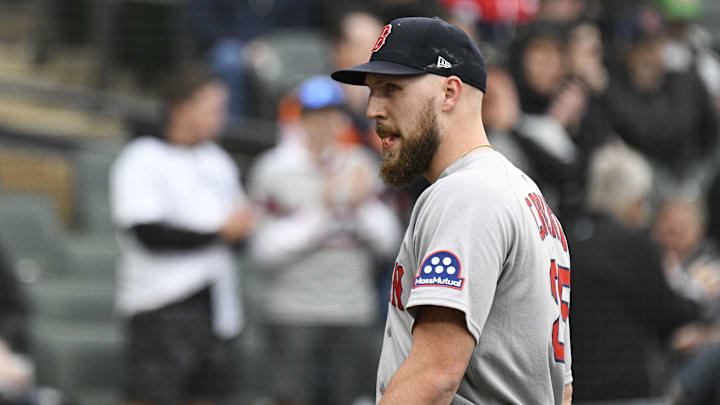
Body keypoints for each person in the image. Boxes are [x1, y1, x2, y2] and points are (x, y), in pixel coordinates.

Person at [332, 16, 573, 404]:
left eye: (392, 88)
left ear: (449, 93)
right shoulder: (528, 196)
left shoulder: (466, 193)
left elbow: (435, 375)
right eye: (372, 91)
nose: (372, 109)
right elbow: (563, 388)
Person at [248, 76, 402, 405]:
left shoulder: (362, 166)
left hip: (352, 308)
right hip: (292, 310)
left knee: (351, 397)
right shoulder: (273, 169)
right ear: (300, 118)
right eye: (314, 115)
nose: (324, 123)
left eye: (332, 114)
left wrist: (359, 208)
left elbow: (389, 242)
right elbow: (263, 251)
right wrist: (324, 210)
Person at [110, 65, 255, 405]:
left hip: (219, 307)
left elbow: (239, 234)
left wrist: (240, 230)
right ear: (180, 108)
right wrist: (220, 232)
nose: (220, 117)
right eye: (211, 108)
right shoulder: (142, 157)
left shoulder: (218, 161)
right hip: (161, 305)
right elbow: (148, 233)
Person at [568, 143, 698, 402]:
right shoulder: (636, 244)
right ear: (636, 202)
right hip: (628, 390)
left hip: (574, 389)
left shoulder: (565, 237)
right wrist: (698, 293)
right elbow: (670, 313)